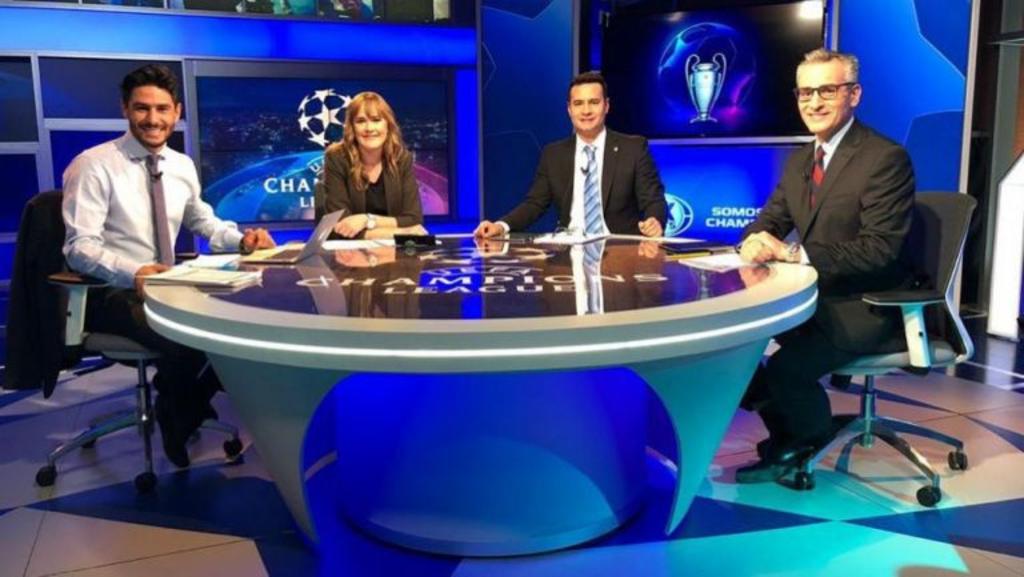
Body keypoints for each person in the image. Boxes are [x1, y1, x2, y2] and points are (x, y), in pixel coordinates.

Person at [62, 64, 276, 468]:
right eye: (142, 108)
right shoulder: (93, 165)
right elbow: (79, 248)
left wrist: (240, 240)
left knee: (239, 326)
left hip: (167, 285)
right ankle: (181, 412)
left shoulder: (180, 165)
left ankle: (179, 407)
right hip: (110, 291)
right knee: (186, 338)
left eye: (162, 109)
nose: (153, 119)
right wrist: (134, 272)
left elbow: (202, 221)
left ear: (176, 111)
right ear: (125, 108)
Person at [734, 49, 916, 483]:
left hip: (865, 306)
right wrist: (753, 240)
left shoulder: (884, 158)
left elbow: (878, 250)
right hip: (815, 300)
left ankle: (804, 441)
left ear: (854, 94)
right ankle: (792, 435)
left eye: (827, 91)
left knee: (786, 370)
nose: (814, 102)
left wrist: (794, 254)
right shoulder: (801, 160)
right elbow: (771, 219)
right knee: (737, 356)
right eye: (805, 92)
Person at [474, 71, 667, 239]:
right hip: (569, 250)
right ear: (569, 109)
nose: (586, 111)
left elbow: (653, 199)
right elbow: (534, 203)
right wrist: (501, 226)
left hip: (619, 250)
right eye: (578, 103)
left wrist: (655, 220)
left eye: (594, 102)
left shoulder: (633, 148)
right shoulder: (553, 154)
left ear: (606, 106)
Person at [317, 91, 427, 239]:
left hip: (393, 250)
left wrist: (367, 220)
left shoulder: (401, 158)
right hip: (348, 250)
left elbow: (413, 218)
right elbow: (342, 226)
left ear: (388, 125)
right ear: (352, 127)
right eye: (361, 121)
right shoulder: (337, 158)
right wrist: (400, 233)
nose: (369, 128)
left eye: (376, 120)